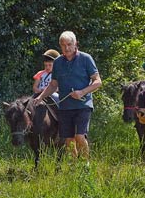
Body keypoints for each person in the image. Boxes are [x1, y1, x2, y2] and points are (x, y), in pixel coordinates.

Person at [35, 31, 102, 162]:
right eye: (63, 45)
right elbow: (53, 85)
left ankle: (85, 165)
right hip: (65, 106)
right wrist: (40, 97)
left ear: (75, 44)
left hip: (83, 104)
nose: (66, 48)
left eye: (69, 44)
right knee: (68, 139)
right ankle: (74, 165)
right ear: (60, 46)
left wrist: (82, 92)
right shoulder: (58, 62)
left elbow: (98, 81)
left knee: (79, 136)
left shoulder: (86, 58)